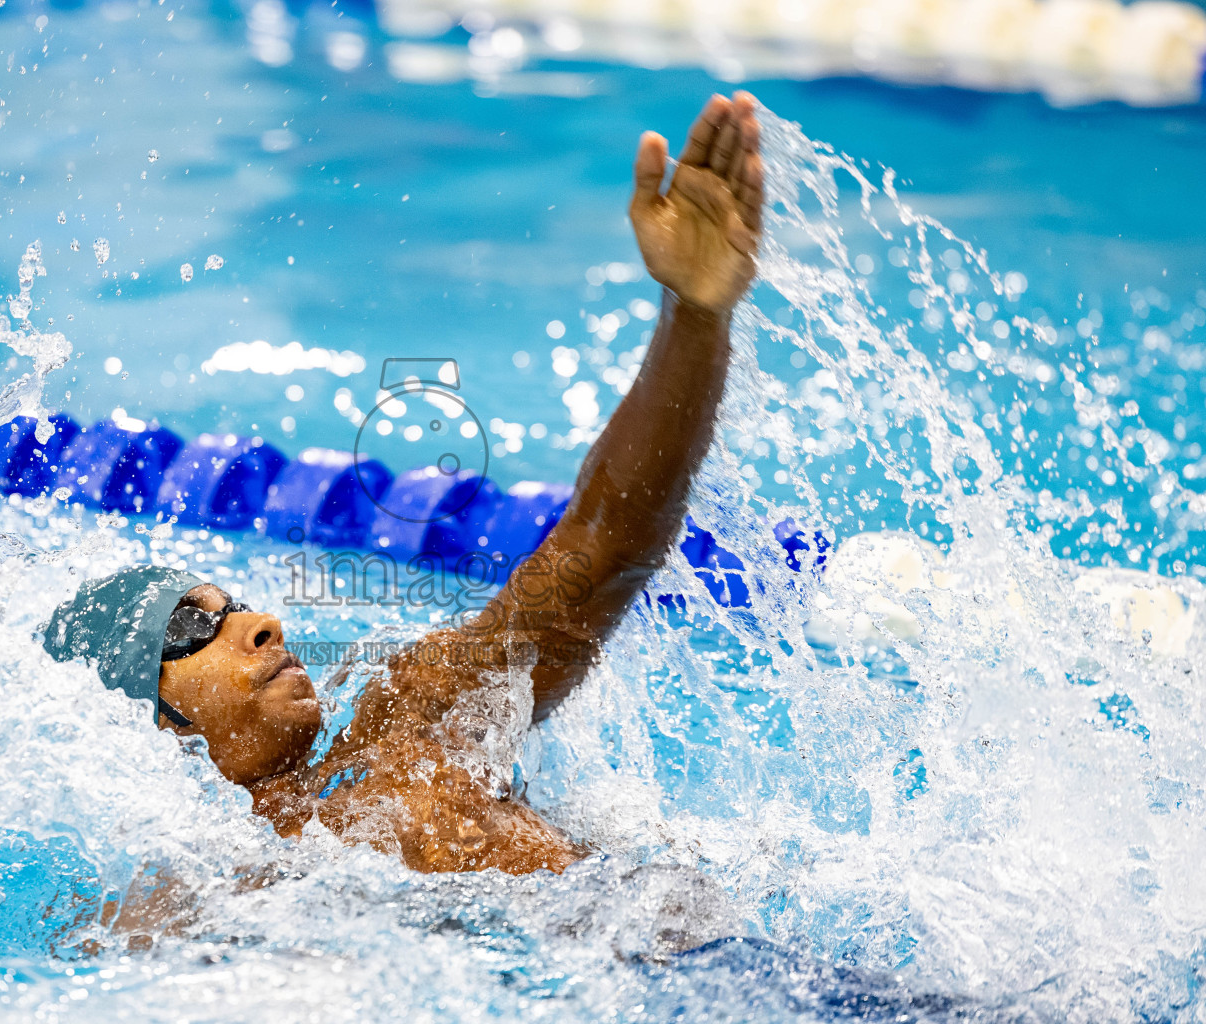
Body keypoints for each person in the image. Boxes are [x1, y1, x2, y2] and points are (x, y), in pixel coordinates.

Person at [44, 92, 765, 879]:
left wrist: (693, 318)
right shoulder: (202, 901)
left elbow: (600, 550)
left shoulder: (412, 716)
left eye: (237, 609)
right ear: (144, 733)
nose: (264, 626)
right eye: (191, 629)